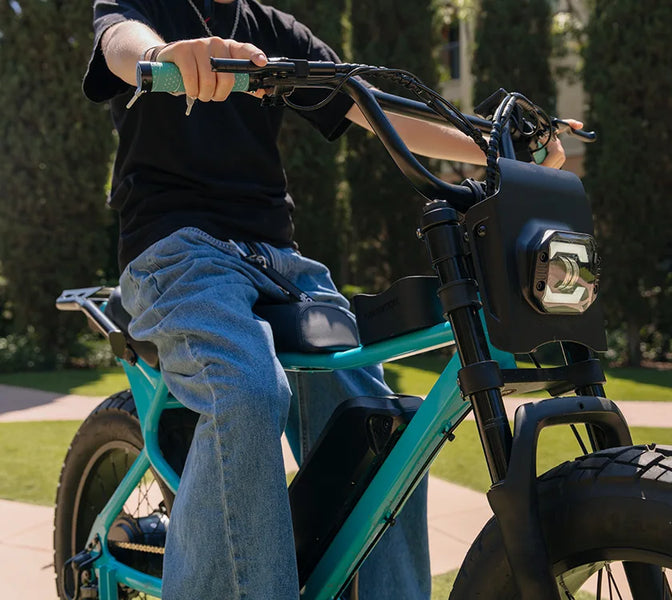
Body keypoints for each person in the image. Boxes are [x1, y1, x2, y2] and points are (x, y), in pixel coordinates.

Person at [84, 1, 575, 598]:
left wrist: (499, 145)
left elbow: (376, 106)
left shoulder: (272, 29)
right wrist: (164, 56)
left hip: (281, 263)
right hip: (176, 250)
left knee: (381, 425)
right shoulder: (146, 5)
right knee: (243, 390)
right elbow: (119, 42)